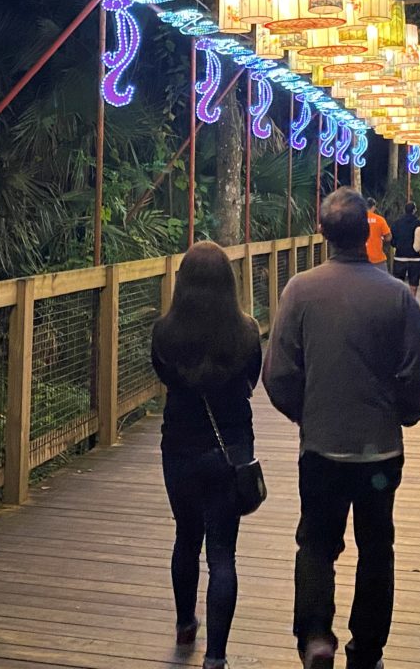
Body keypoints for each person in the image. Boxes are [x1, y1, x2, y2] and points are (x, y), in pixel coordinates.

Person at [264, 189, 420, 669]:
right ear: (368, 233)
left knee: (316, 542)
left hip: (321, 448)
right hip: (380, 452)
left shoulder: (299, 290)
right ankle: (367, 650)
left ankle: (317, 637)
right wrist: (401, 414)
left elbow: (277, 373)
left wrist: (306, 413)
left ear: (323, 233)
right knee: (376, 546)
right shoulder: (396, 295)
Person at [151, 242, 263, 669]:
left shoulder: (164, 332)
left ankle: (184, 624)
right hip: (230, 447)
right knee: (222, 553)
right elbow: (252, 381)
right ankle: (216, 657)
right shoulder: (247, 331)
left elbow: (163, 376)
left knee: (185, 536)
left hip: (179, 444)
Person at [390, 202, 420, 300]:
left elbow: (392, 240)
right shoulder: (419, 224)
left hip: (400, 256)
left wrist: (397, 245)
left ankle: (400, 302)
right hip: (415, 258)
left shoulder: (396, 223)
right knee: (413, 283)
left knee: (399, 282)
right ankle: (412, 302)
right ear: (414, 210)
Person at [364, 197, 391, 265]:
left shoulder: (358, 219)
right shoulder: (380, 220)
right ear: (373, 207)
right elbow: (388, 237)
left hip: (362, 259)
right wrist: (382, 239)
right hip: (378, 259)